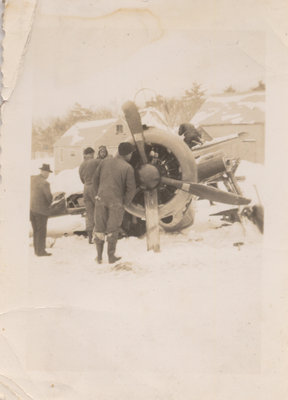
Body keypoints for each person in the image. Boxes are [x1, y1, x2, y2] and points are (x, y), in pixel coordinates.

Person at [92, 142, 136, 264]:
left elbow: (94, 179)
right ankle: (111, 256)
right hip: (116, 203)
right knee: (112, 229)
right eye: (131, 153)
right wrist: (124, 203)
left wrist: (98, 194)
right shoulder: (128, 168)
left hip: (100, 200)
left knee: (99, 228)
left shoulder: (105, 161)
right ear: (127, 154)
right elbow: (131, 189)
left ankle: (99, 257)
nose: (131, 156)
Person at [30, 163, 53, 256]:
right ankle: (41, 251)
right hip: (41, 211)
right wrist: (50, 202)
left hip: (31, 210)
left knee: (35, 231)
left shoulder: (32, 179)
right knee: (41, 231)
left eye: (48, 173)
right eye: (46, 172)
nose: (47, 175)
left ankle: (37, 251)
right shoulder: (45, 183)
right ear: (42, 171)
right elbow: (49, 198)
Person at [79, 147, 101, 243]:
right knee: (98, 211)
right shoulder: (96, 162)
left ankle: (89, 237)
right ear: (92, 153)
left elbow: (81, 179)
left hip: (86, 188)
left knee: (89, 213)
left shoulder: (82, 165)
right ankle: (98, 236)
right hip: (94, 188)